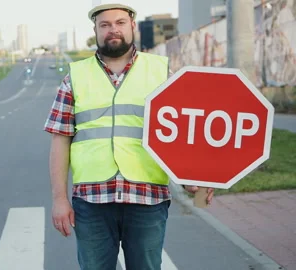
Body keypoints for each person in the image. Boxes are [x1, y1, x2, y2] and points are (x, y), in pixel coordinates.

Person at [43, 1, 215, 270]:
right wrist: (59, 199)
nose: (113, 30)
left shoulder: (161, 73)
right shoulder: (74, 77)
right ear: (96, 31)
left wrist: (191, 179)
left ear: (132, 25)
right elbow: (59, 140)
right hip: (92, 201)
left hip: (147, 197)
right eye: (105, 24)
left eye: (120, 23)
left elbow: (185, 133)